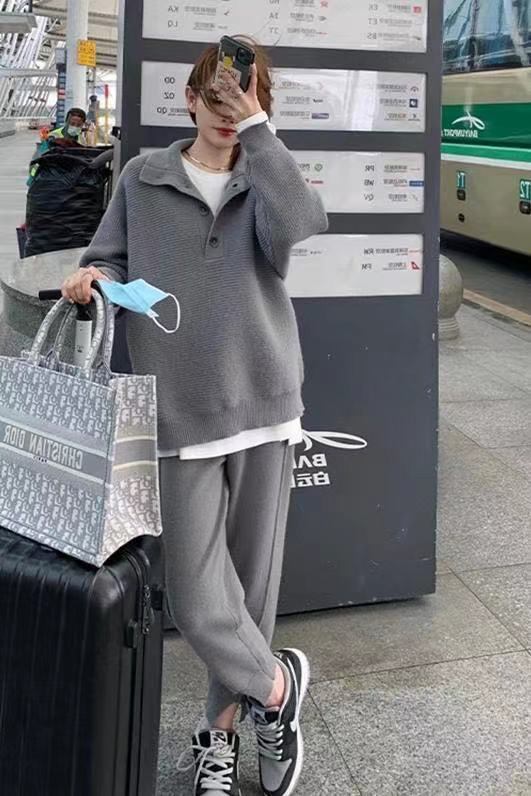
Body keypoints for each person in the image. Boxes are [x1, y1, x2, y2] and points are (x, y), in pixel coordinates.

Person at [61, 37, 328, 796]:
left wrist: (259, 132)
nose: (225, 110)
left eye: (242, 97)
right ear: (188, 98)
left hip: (265, 403)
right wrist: (92, 277)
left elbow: (300, 225)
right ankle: (277, 689)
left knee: (251, 593)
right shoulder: (143, 176)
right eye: (214, 95)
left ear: (259, 105)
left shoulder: (265, 177)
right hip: (178, 408)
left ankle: (222, 734)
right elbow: (110, 258)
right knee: (200, 598)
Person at [27, 108, 87, 186]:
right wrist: (33, 178)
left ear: (82, 125)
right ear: (66, 122)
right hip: (51, 178)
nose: (75, 127)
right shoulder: (53, 137)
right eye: (72, 124)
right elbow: (37, 160)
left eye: (78, 125)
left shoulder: (82, 141)